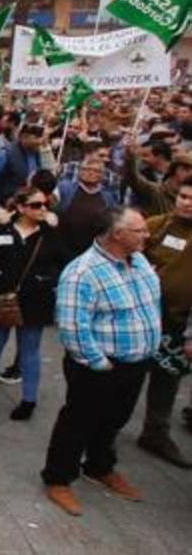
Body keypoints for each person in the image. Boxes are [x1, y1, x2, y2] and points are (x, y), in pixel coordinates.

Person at [41, 207, 162, 516]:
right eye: (139, 231)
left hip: (136, 363)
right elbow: (72, 327)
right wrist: (99, 362)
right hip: (99, 367)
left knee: (114, 420)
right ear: (117, 235)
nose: (147, 235)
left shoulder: (140, 261)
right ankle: (58, 478)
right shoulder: (82, 272)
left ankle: (99, 467)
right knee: (77, 422)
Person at [0, 187, 65, 420]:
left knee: (29, 350)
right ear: (21, 207)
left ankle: (28, 400)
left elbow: (62, 263)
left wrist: (45, 280)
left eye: (45, 205)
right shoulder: (0, 227)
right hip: (1, 295)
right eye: (36, 205)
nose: (42, 209)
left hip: (35, 301)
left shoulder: (50, 233)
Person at [136, 178, 192, 468]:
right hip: (141, 317)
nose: (187, 202)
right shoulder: (156, 225)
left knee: (166, 381)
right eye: (183, 196)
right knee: (128, 375)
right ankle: (101, 427)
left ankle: (155, 433)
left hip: (178, 323)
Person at [55, 157, 119, 258]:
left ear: (102, 175)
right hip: (60, 247)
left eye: (96, 171)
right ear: (79, 171)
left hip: (90, 252)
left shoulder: (108, 198)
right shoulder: (65, 188)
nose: (91, 173)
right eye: (87, 169)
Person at [0, 124, 45, 206]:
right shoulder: (5, 154)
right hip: (4, 204)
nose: (40, 141)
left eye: (41, 137)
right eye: (36, 138)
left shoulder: (37, 154)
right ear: (23, 137)